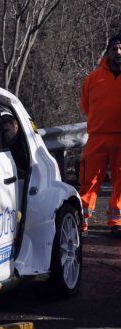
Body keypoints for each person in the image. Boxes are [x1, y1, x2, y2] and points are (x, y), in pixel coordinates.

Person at [79, 34, 121, 236]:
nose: (118, 52)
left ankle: (116, 221)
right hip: (97, 137)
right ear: (108, 52)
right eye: (114, 49)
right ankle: (83, 220)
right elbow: (86, 105)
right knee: (90, 180)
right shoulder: (93, 78)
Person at [0, 114, 28, 179]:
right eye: (3, 131)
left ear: (16, 127)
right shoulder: (2, 144)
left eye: (7, 130)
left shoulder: (24, 144)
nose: (5, 134)